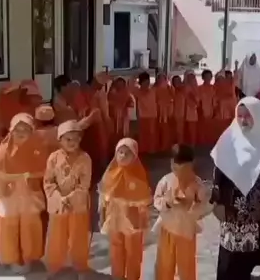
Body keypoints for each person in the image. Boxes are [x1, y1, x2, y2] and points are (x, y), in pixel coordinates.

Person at [210, 97, 260, 280]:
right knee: (230, 251)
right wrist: (217, 202)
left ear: (257, 115)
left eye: (248, 116)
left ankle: (245, 275)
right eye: (240, 116)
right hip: (234, 208)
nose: (243, 120)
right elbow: (219, 172)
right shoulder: (229, 139)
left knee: (252, 251)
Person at [0, 113, 47, 274]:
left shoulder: (37, 148)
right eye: (17, 129)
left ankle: (29, 257)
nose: (21, 133)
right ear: (11, 131)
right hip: (10, 194)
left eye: (25, 129)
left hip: (29, 193)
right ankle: (11, 258)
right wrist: (2, 188)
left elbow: (44, 170)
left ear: (32, 131)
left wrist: (29, 176)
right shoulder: (5, 148)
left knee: (30, 225)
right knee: (9, 226)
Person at [153, 144, 212, 280]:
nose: (178, 169)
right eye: (175, 164)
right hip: (167, 229)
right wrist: (167, 203)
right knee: (164, 265)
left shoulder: (196, 183)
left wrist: (193, 204)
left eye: (183, 166)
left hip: (186, 231)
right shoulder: (166, 181)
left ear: (191, 165)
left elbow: (204, 206)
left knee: (186, 266)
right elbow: (156, 200)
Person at [44, 120, 94, 275]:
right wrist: (58, 198)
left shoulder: (85, 158)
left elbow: (84, 183)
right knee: (56, 237)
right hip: (58, 205)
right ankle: (54, 267)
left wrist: (71, 198)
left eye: (76, 139)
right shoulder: (53, 158)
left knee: (78, 237)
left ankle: (80, 267)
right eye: (68, 139)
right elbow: (48, 181)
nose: (72, 142)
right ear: (60, 140)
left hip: (77, 204)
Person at [98, 138, 152, 280]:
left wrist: (142, 220)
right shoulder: (110, 174)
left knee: (133, 250)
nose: (123, 156)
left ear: (134, 156)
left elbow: (143, 203)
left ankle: (133, 277)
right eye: (120, 152)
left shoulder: (139, 176)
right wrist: (102, 215)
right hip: (114, 218)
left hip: (131, 221)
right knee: (116, 247)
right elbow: (103, 198)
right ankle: (117, 276)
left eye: (127, 153)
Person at [129, 72, 158, 154]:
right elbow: (130, 86)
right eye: (145, 82)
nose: (147, 84)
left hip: (152, 115)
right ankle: (143, 149)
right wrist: (134, 76)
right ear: (141, 83)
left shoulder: (153, 90)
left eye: (148, 82)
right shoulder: (137, 91)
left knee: (152, 133)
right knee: (142, 133)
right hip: (142, 115)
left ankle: (152, 149)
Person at [155, 73, 175, 152]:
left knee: (167, 129)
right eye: (160, 79)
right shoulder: (155, 89)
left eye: (163, 79)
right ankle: (160, 145)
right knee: (159, 129)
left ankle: (166, 145)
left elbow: (173, 97)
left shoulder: (169, 88)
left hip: (168, 112)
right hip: (158, 112)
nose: (161, 80)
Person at [198, 69, 216, 146]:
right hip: (202, 112)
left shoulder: (214, 88)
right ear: (203, 77)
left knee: (211, 129)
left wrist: (215, 111)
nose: (208, 78)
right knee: (202, 129)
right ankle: (202, 145)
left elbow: (215, 101)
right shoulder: (199, 88)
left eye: (209, 76)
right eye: (206, 76)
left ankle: (210, 145)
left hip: (212, 112)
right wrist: (200, 111)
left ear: (211, 77)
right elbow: (198, 101)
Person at [183, 71, 200, 146]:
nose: (191, 79)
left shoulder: (196, 87)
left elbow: (198, 100)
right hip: (182, 109)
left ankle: (192, 144)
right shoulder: (184, 86)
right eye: (189, 77)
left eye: (192, 77)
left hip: (192, 110)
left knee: (192, 128)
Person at [171, 75, 186, 146]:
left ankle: (180, 145)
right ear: (173, 82)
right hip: (171, 114)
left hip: (181, 114)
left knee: (180, 131)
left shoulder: (184, 91)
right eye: (176, 81)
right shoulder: (171, 91)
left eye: (179, 80)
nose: (177, 82)